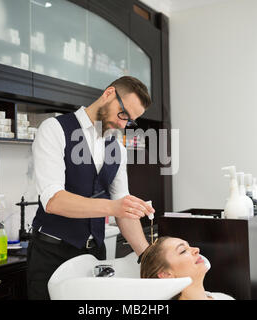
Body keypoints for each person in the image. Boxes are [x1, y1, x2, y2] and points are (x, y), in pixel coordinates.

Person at [28, 76, 155, 300]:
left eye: (131, 121)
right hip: (51, 255)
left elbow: (122, 207)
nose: (124, 124)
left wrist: (149, 258)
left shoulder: (118, 148)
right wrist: (114, 207)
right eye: (123, 114)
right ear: (108, 94)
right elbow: (53, 200)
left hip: (94, 256)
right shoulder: (55, 129)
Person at [140, 237, 235, 300]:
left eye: (189, 246)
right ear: (166, 274)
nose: (196, 249)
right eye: (183, 251)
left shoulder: (223, 298)